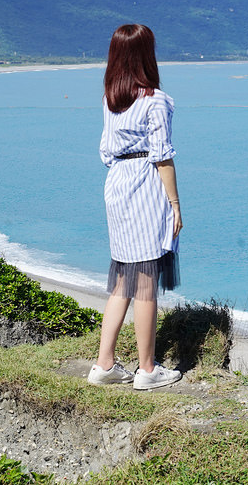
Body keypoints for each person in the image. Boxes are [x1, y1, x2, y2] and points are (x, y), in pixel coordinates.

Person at [87, 23, 183, 390]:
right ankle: (147, 370)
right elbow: (162, 157)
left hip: (117, 183)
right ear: (146, 55)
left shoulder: (110, 100)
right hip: (144, 182)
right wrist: (174, 204)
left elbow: (104, 152)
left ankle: (105, 364)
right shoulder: (155, 100)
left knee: (122, 279)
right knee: (145, 281)